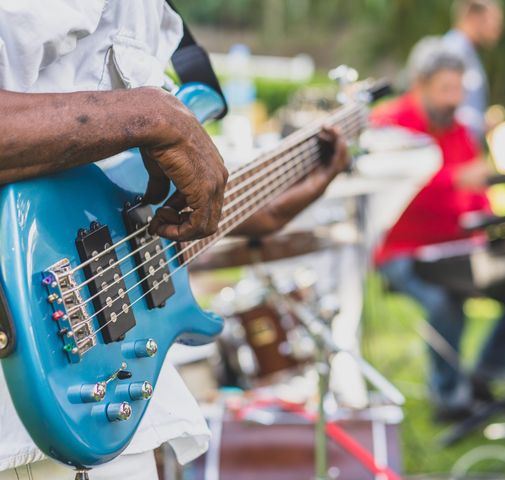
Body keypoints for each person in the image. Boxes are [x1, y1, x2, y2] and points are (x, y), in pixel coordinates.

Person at [0, 2, 349, 479]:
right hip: (22, 429)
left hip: (95, 404)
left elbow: (123, 194)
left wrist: (247, 207)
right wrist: (154, 117)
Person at [373, 41, 505, 421]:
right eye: (446, 89)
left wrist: (493, 220)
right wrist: (455, 180)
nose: (455, 98)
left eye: (459, 89)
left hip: (459, 248)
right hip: (402, 251)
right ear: (419, 83)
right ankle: (449, 399)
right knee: (443, 301)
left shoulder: (460, 129)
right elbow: (394, 194)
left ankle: (486, 378)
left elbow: (477, 191)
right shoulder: (388, 125)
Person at [440, 0, 504, 141]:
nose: (499, 28)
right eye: (495, 21)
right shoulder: (453, 52)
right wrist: (481, 123)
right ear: (474, 18)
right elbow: (445, 105)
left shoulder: (468, 52)